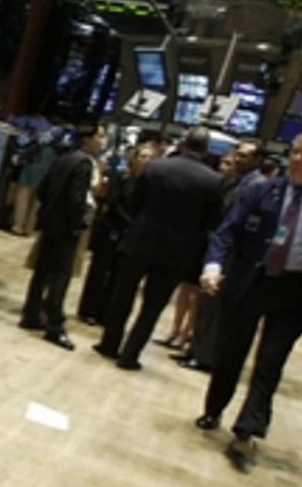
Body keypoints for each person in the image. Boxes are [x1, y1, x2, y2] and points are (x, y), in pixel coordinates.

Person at [196, 129, 302, 473]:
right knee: (231, 351)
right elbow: (227, 231)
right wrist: (213, 266)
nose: (297, 159)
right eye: (294, 152)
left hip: (296, 292)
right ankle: (214, 407)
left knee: (271, 361)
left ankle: (248, 428)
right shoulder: (262, 191)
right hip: (250, 283)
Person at [93, 127, 223, 370]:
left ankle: (109, 344)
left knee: (122, 295)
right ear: (206, 151)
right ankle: (130, 355)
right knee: (152, 306)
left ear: (183, 143)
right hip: (178, 251)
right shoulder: (213, 181)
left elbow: (135, 202)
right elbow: (212, 222)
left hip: (140, 240)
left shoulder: (156, 167)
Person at [174, 140, 266, 371]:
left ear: (257, 160)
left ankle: (206, 357)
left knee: (216, 309)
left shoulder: (258, 186)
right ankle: (194, 350)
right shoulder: (235, 181)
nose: (237, 158)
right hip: (219, 249)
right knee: (205, 305)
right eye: (238, 154)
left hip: (234, 254)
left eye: (244, 155)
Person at [19, 124, 104, 350]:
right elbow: (76, 198)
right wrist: (79, 224)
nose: (102, 140)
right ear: (88, 139)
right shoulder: (84, 163)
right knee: (60, 276)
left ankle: (31, 314)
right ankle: (54, 326)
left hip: (49, 223)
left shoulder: (64, 158)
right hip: (65, 228)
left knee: (42, 272)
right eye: (99, 136)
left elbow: (43, 189)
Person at [77, 142, 153, 325]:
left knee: (117, 276)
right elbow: (113, 201)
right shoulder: (121, 177)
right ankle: (88, 309)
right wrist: (129, 223)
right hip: (111, 229)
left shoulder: (149, 184)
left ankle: (105, 312)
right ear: (134, 158)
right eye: (143, 156)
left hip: (129, 236)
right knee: (99, 271)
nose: (146, 160)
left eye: (150, 157)